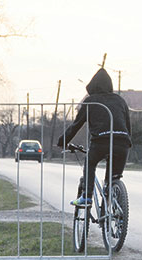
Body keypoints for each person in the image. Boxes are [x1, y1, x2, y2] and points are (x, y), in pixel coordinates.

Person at [57, 68, 132, 206]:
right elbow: (128, 125)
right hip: (122, 142)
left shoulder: (91, 101)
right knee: (114, 177)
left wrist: (63, 141)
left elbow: (76, 125)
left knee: (90, 163)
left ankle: (87, 196)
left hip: (101, 142)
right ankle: (113, 204)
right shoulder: (120, 100)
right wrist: (128, 142)